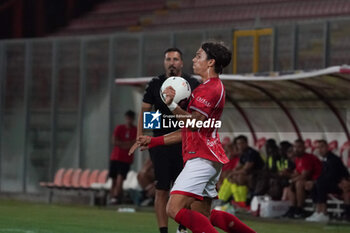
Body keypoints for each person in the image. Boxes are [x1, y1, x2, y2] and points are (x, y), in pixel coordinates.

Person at [131, 41, 255, 233]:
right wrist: (152, 140)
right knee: (204, 215)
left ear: (211, 62)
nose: (194, 59)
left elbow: (193, 123)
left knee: (173, 207)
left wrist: (172, 105)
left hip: (201, 158)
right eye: (168, 59)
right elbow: (187, 129)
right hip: (204, 157)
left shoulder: (208, 89)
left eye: (198, 56)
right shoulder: (192, 86)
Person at [137, 48, 199, 233]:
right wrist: (139, 136)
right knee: (162, 189)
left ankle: (182, 227)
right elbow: (145, 111)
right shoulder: (156, 83)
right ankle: (163, 230)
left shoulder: (192, 83)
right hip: (160, 145)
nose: (172, 62)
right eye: (168, 59)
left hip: (185, 144)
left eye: (175, 59)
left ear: (181, 63)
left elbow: (197, 116)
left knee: (184, 191)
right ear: (164, 62)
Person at [305, 140, 350, 222]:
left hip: (339, 184)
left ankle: (324, 213)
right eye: (318, 148)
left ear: (327, 147)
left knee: (319, 183)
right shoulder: (323, 160)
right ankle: (318, 211)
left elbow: (331, 176)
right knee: (314, 184)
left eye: (322, 147)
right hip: (332, 183)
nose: (320, 149)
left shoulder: (333, 159)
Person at [283, 139, 322, 219]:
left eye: (299, 147)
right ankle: (292, 208)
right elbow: (296, 173)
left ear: (304, 148)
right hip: (307, 181)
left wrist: (291, 180)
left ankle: (300, 209)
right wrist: (287, 174)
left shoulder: (308, 158)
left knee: (298, 183)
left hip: (317, 180)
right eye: (295, 147)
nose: (296, 149)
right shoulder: (297, 159)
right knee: (291, 184)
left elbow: (305, 175)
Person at [109, 110, 137, 204]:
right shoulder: (119, 128)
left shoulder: (135, 130)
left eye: (131, 118)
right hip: (115, 157)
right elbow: (114, 141)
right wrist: (126, 144)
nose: (129, 120)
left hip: (126, 159)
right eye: (128, 118)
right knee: (114, 179)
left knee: (120, 177)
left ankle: (116, 197)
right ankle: (113, 196)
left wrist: (122, 144)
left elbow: (134, 143)